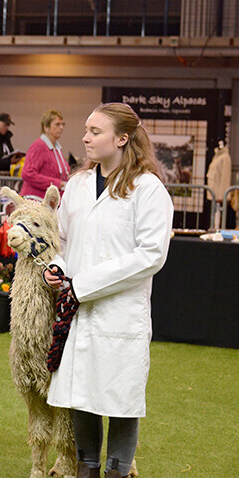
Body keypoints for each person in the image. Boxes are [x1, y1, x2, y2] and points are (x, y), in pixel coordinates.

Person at [43, 103, 173, 478]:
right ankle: (87, 468)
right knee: (81, 393)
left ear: (122, 138)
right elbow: (65, 241)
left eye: (95, 131)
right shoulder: (79, 185)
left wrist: (82, 285)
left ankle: (117, 471)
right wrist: (58, 268)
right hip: (79, 311)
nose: (85, 137)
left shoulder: (148, 189)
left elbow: (150, 256)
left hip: (120, 313)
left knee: (120, 398)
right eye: (86, 129)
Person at [20, 109, 70, 198]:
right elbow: (27, 174)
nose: (61, 127)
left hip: (48, 201)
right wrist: (57, 184)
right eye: (57, 124)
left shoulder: (56, 149)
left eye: (63, 124)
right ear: (46, 127)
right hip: (35, 200)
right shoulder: (39, 146)